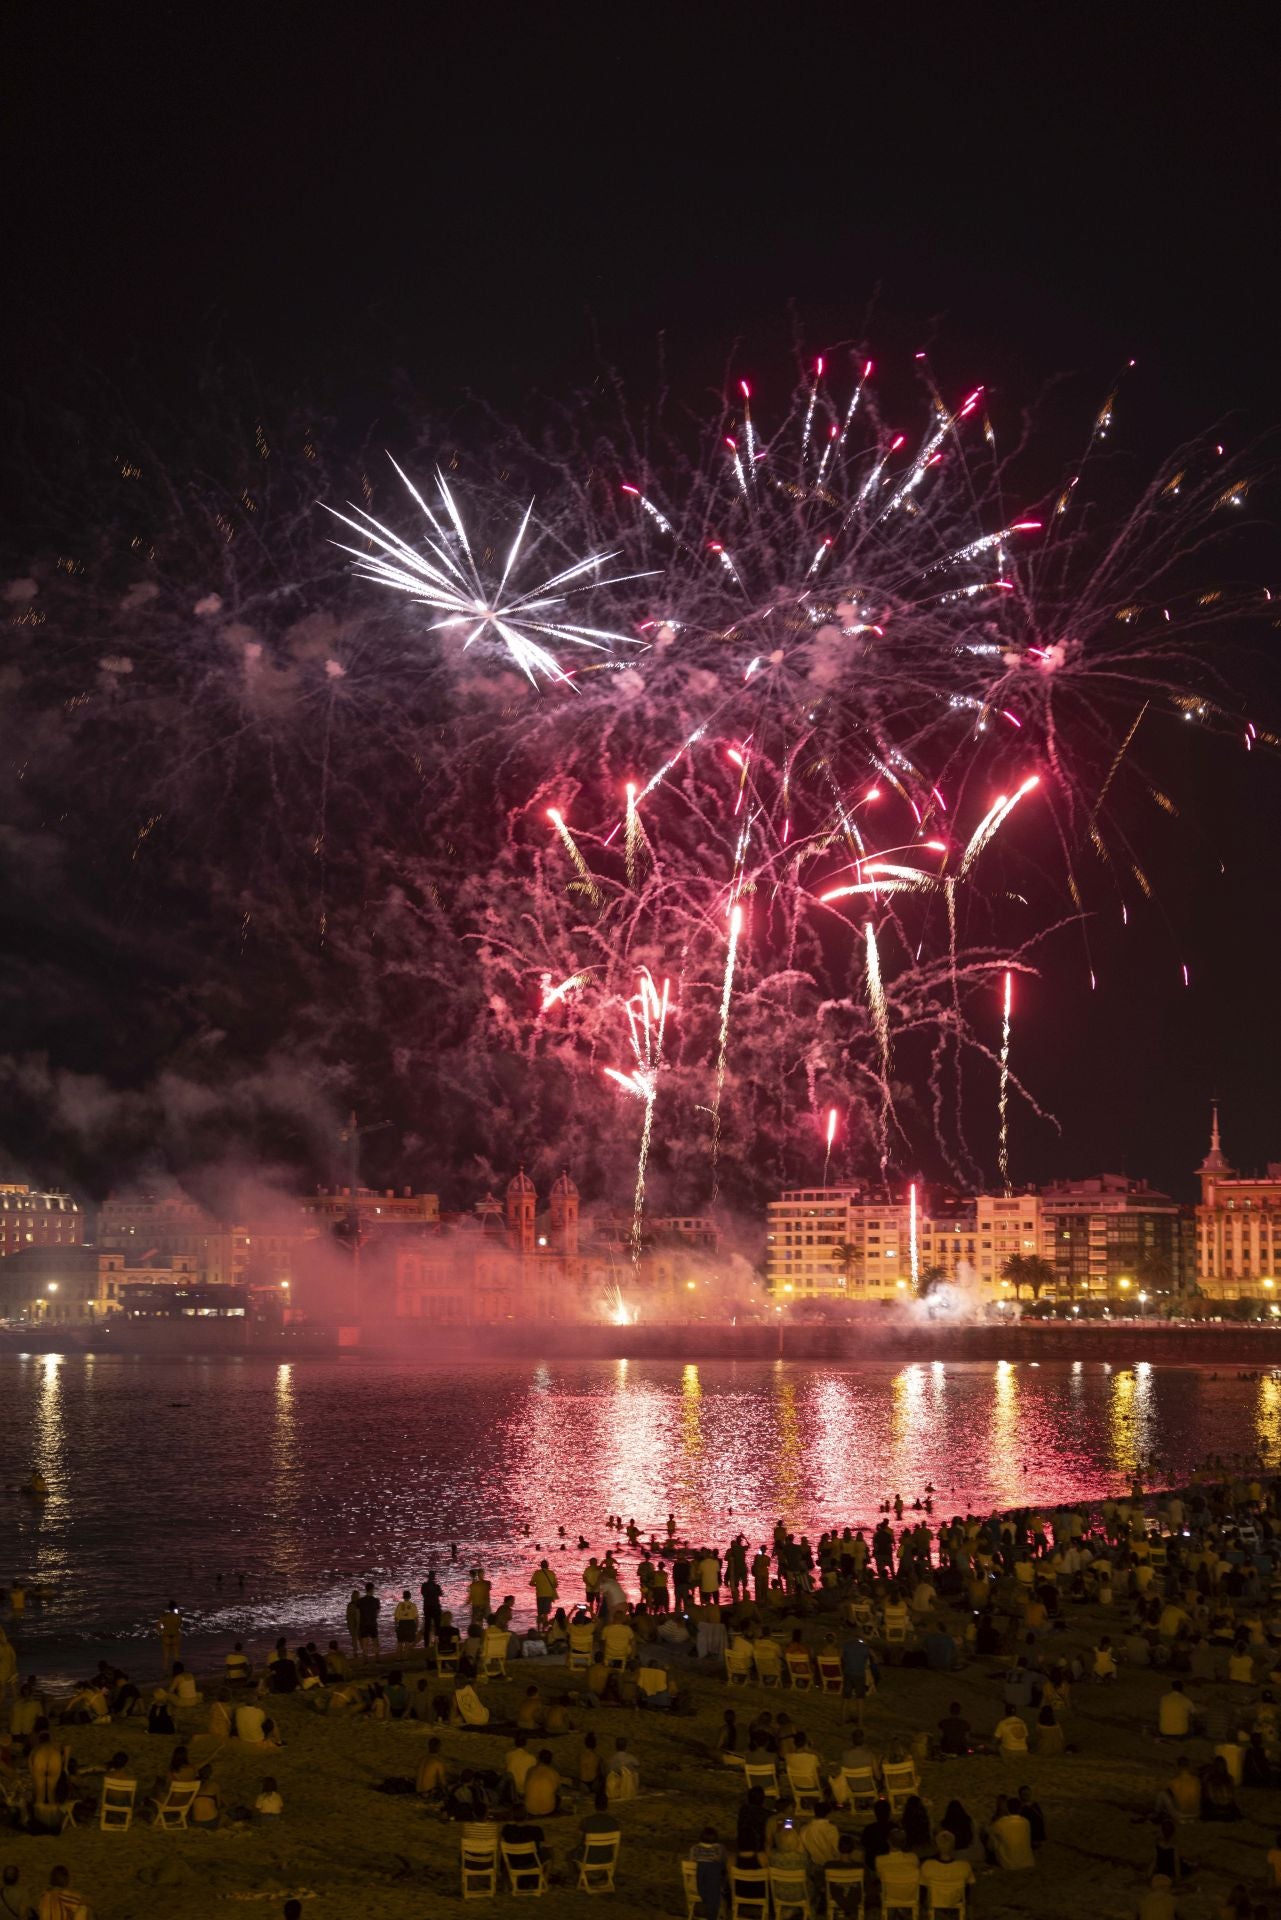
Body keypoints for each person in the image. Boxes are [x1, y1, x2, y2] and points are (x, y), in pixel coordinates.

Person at [922, 1830, 976, 1909]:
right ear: (954, 1846)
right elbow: (970, 1884)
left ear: (936, 1846)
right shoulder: (964, 1865)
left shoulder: (927, 1865)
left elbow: (923, 1885)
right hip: (956, 1900)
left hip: (934, 1900)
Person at [986, 1794, 1036, 1869]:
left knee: (992, 1837)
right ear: (1020, 1809)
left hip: (1008, 1864)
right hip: (1028, 1862)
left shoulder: (999, 1823)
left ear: (1007, 1808)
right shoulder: (1026, 1822)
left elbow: (990, 1845)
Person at [688, 1829, 726, 1918]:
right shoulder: (719, 1848)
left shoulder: (694, 1848)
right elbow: (723, 1864)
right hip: (712, 1888)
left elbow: (691, 1863)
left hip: (693, 1887)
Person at [523, 1749, 560, 1818]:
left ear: (538, 1759)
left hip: (530, 1809)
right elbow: (556, 1789)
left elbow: (525, 1786)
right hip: (548, 1810)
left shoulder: (530, 1770)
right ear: (550, 1761)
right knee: (557, 1796)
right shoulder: (554, 1773)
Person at [356, 1582, 380, 1657]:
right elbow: (377, 1613)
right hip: (372, 1623)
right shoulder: (376, 1600)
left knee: (365, 1643)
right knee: (375, 1641)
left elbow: (357, 1613)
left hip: (363, 1624)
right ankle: (377, 1658)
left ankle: (365, 1659)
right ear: (372, 1590)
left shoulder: (360, 1601)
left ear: (366, 1590)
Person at [345, 1590, 361, 1656]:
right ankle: (361, 1652)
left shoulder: (350, 1605)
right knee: (359, 1638)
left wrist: (349, 1625)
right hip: (356, 1624)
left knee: (354, 1639)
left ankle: (356, 1652)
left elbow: (348, 1616)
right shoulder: (358, 1604)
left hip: (353, 1624)